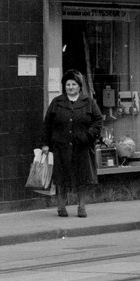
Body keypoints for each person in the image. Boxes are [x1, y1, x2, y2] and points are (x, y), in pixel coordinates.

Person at [41, 69, 103, 218]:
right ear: (64, 86)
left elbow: (98, 121)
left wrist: (88, 136)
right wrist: (45, 144)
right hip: (61, 147)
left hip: (82, 147)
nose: (70, 87)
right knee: (61, 178)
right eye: (68, 84)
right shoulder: (57, 102)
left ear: (79, 86)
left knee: (82, 178)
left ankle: (81, 208)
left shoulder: (89, 102)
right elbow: (47, 124)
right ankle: (61, 207)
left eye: (74, 84)